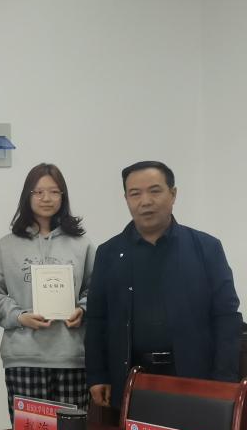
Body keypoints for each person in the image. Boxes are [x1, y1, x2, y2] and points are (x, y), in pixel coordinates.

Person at [86, 161, 242, 408]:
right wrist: (97, 375)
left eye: (155, 190)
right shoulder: (109, 253)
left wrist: (224, 381)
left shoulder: (206, 248)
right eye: (135, 193)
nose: (145, 201)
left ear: (173, 194)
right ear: (126, 199)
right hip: (131, 379)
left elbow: (226, 317)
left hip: (194, 378)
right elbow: (97, 319)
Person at [0, 163, 95, 417]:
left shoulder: (82, 245)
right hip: (23, 355)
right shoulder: (6, 246)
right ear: (27, 196)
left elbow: (94, 290)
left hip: (71, 356)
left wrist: (82, 311)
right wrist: (20, 317)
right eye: (38, 192)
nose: (46, 198)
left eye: (54, 191)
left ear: (63, 196)